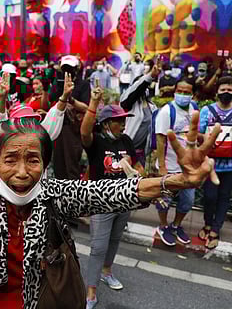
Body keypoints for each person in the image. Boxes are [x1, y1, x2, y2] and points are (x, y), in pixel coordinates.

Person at [0, 93, 221, 308]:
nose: (21, 171)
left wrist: (177, 180)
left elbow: (113, 191)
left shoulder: (55, 195)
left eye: (32, 159)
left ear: (44, 164)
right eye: (10, 159)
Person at [80, 88, 138, 308]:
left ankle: (107, 272)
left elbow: (137, 163)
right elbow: (84, 133)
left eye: (124, 120)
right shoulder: (96, 142)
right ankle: (91, 292)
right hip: (101, 202)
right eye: (118, 121)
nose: (123, 125)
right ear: (106, 124)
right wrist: (93, 103)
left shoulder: (126, 141)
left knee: (114, 240)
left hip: (125, 200)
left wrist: (137, 172)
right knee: (98, 246)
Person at [198, 77, 232, 250]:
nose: (226, 93)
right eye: (223, 90)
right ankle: (207, 222)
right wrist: (207, 139)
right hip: (210, 162)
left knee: (223, 197)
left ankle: (215, 229)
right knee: (209, 196)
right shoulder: (206, 110)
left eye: (229, 90)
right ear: (217, 92)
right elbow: (198, 135)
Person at [154, 78, 198, 246]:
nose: (183, 95)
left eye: (187, 92)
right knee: (165, 200)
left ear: (192, 94)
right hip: (169, 166)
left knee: (188, 200)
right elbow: (160, 140)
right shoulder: (166, 112)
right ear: (175, 91)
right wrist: (162, 167)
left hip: (188, 168)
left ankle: (176, 225)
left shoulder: (194, 109)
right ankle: (163, 226)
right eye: (180, 91)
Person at [120, 62, 159, 168]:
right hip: (125, 152)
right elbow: (137, 89)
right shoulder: (129, 103)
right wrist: (149, 76)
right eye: (142, 84)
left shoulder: (153, 107)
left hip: (141, 154)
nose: (144, 88)